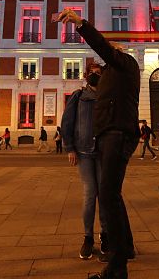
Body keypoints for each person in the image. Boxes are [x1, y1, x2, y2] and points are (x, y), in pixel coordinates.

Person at [58, 8, 139, 279]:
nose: (100, 66)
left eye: (109, 53)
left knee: (107, 196)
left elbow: (104, 48)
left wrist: (81, 24)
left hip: (118, 134)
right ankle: (125, 248)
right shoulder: (108, 77)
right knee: (112, 195)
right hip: (109, 136)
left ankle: (116, 268)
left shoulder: (125, 65)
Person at [61, 62, 109, 260]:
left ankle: (105, 234)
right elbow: (67, 122)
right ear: (86, 75)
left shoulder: (107, 96)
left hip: (104, 152)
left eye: (99, 73)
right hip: (83, 151)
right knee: (90, 194)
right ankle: (88, 237)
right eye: (92, 73)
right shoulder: (78, 96)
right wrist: (69, 147)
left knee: (105, 195)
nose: (96, 76)